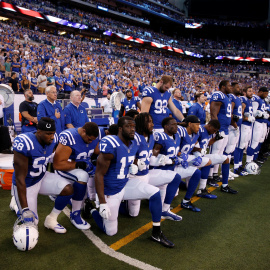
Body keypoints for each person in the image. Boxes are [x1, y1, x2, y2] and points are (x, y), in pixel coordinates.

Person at [91, 116, 174, 247]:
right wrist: (102, 202)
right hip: (111, 189)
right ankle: (93, 210)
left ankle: (156, 232)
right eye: (128, 126)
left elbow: (128, 156)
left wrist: (136, 162)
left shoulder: (135, 142)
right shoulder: (111, 144)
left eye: (133, 127)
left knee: (154, 193)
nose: (132, 130)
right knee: (111, 232)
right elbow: (99, 175)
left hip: (126, 182)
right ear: (120, 128)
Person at [12, 117, 73, 235]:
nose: (51, 136)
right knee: (32, 224)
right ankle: (17, 206)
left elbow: (49, 157)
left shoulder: (53, 140)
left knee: (68, 189)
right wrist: (25, 209)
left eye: (53, 133)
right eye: (48, 134)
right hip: (27, 184)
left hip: (41, 177)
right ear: (38, 132)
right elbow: (20, 178)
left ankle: (51, 219)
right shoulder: (25, 142)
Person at [122, 113, 182, 221]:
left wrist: (163, 160)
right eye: (149, 122)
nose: (152, 124)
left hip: (147, 174)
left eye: (152, 121)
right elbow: (124, 156)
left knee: (174, 177)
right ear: (141, 124)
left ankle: (165, 210)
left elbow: (149, 159)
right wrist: (135, 162)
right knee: (133, 213)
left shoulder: (152, 137)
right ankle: (119, 202)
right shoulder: (134, 137)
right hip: (134, 177)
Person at [53, 122, 100, 230]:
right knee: (83, 176)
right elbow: (58, 164)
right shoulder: (69, 137)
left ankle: (92, 200)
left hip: (83, 166)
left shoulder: (96, 136)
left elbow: (97, 152)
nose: (91, 142)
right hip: (67, 167)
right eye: (89, 139)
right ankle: (75, 215)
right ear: (83, 131)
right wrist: (78, 165)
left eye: (93, 140)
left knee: (100, 171)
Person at [196, 119, 238, 195]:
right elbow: (192, 144)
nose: (214, 132)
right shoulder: (199, 129)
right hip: (195, 157)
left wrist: (215, 139)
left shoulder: (208, 131)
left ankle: (224, 186)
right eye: (214, 130)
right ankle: (201, 189)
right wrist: (199, 149)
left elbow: (206, 144)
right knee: (187, 186)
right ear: (209, 126)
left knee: (226, 159)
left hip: (202, 156)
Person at [207, 80, 234, 190]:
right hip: (220, 128)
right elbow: (213, 113)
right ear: (223, 86)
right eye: (228, 85)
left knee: (219, 153)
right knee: (214, 152)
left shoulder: (226, 96)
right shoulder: (218, 95)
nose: (230, 87)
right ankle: (208, 176)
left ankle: (214, 174)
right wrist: (216, 129)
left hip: (225, 129)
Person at [234, 86, 255, 175]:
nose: (251, 92)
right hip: (244, 125)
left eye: (252, 91)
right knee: (239, 146)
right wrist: (247, 118)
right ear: (244, 92)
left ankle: (240, 165)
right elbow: (241, 114)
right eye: (249, 91)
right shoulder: (244, 99)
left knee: (243, 146)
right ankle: (236, 167)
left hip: (248, 126)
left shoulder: (250, 101)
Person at [246, 87, 269, 164]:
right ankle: (249, 161)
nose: (266, 95)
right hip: (257, 123)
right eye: (265, 93)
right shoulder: (256, 98)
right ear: (261, 92)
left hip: (263, 123)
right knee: (254, 142)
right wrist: (262, 115)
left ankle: (255, 158)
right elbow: (254, 113)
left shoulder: (262, 100)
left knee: (260, 141)